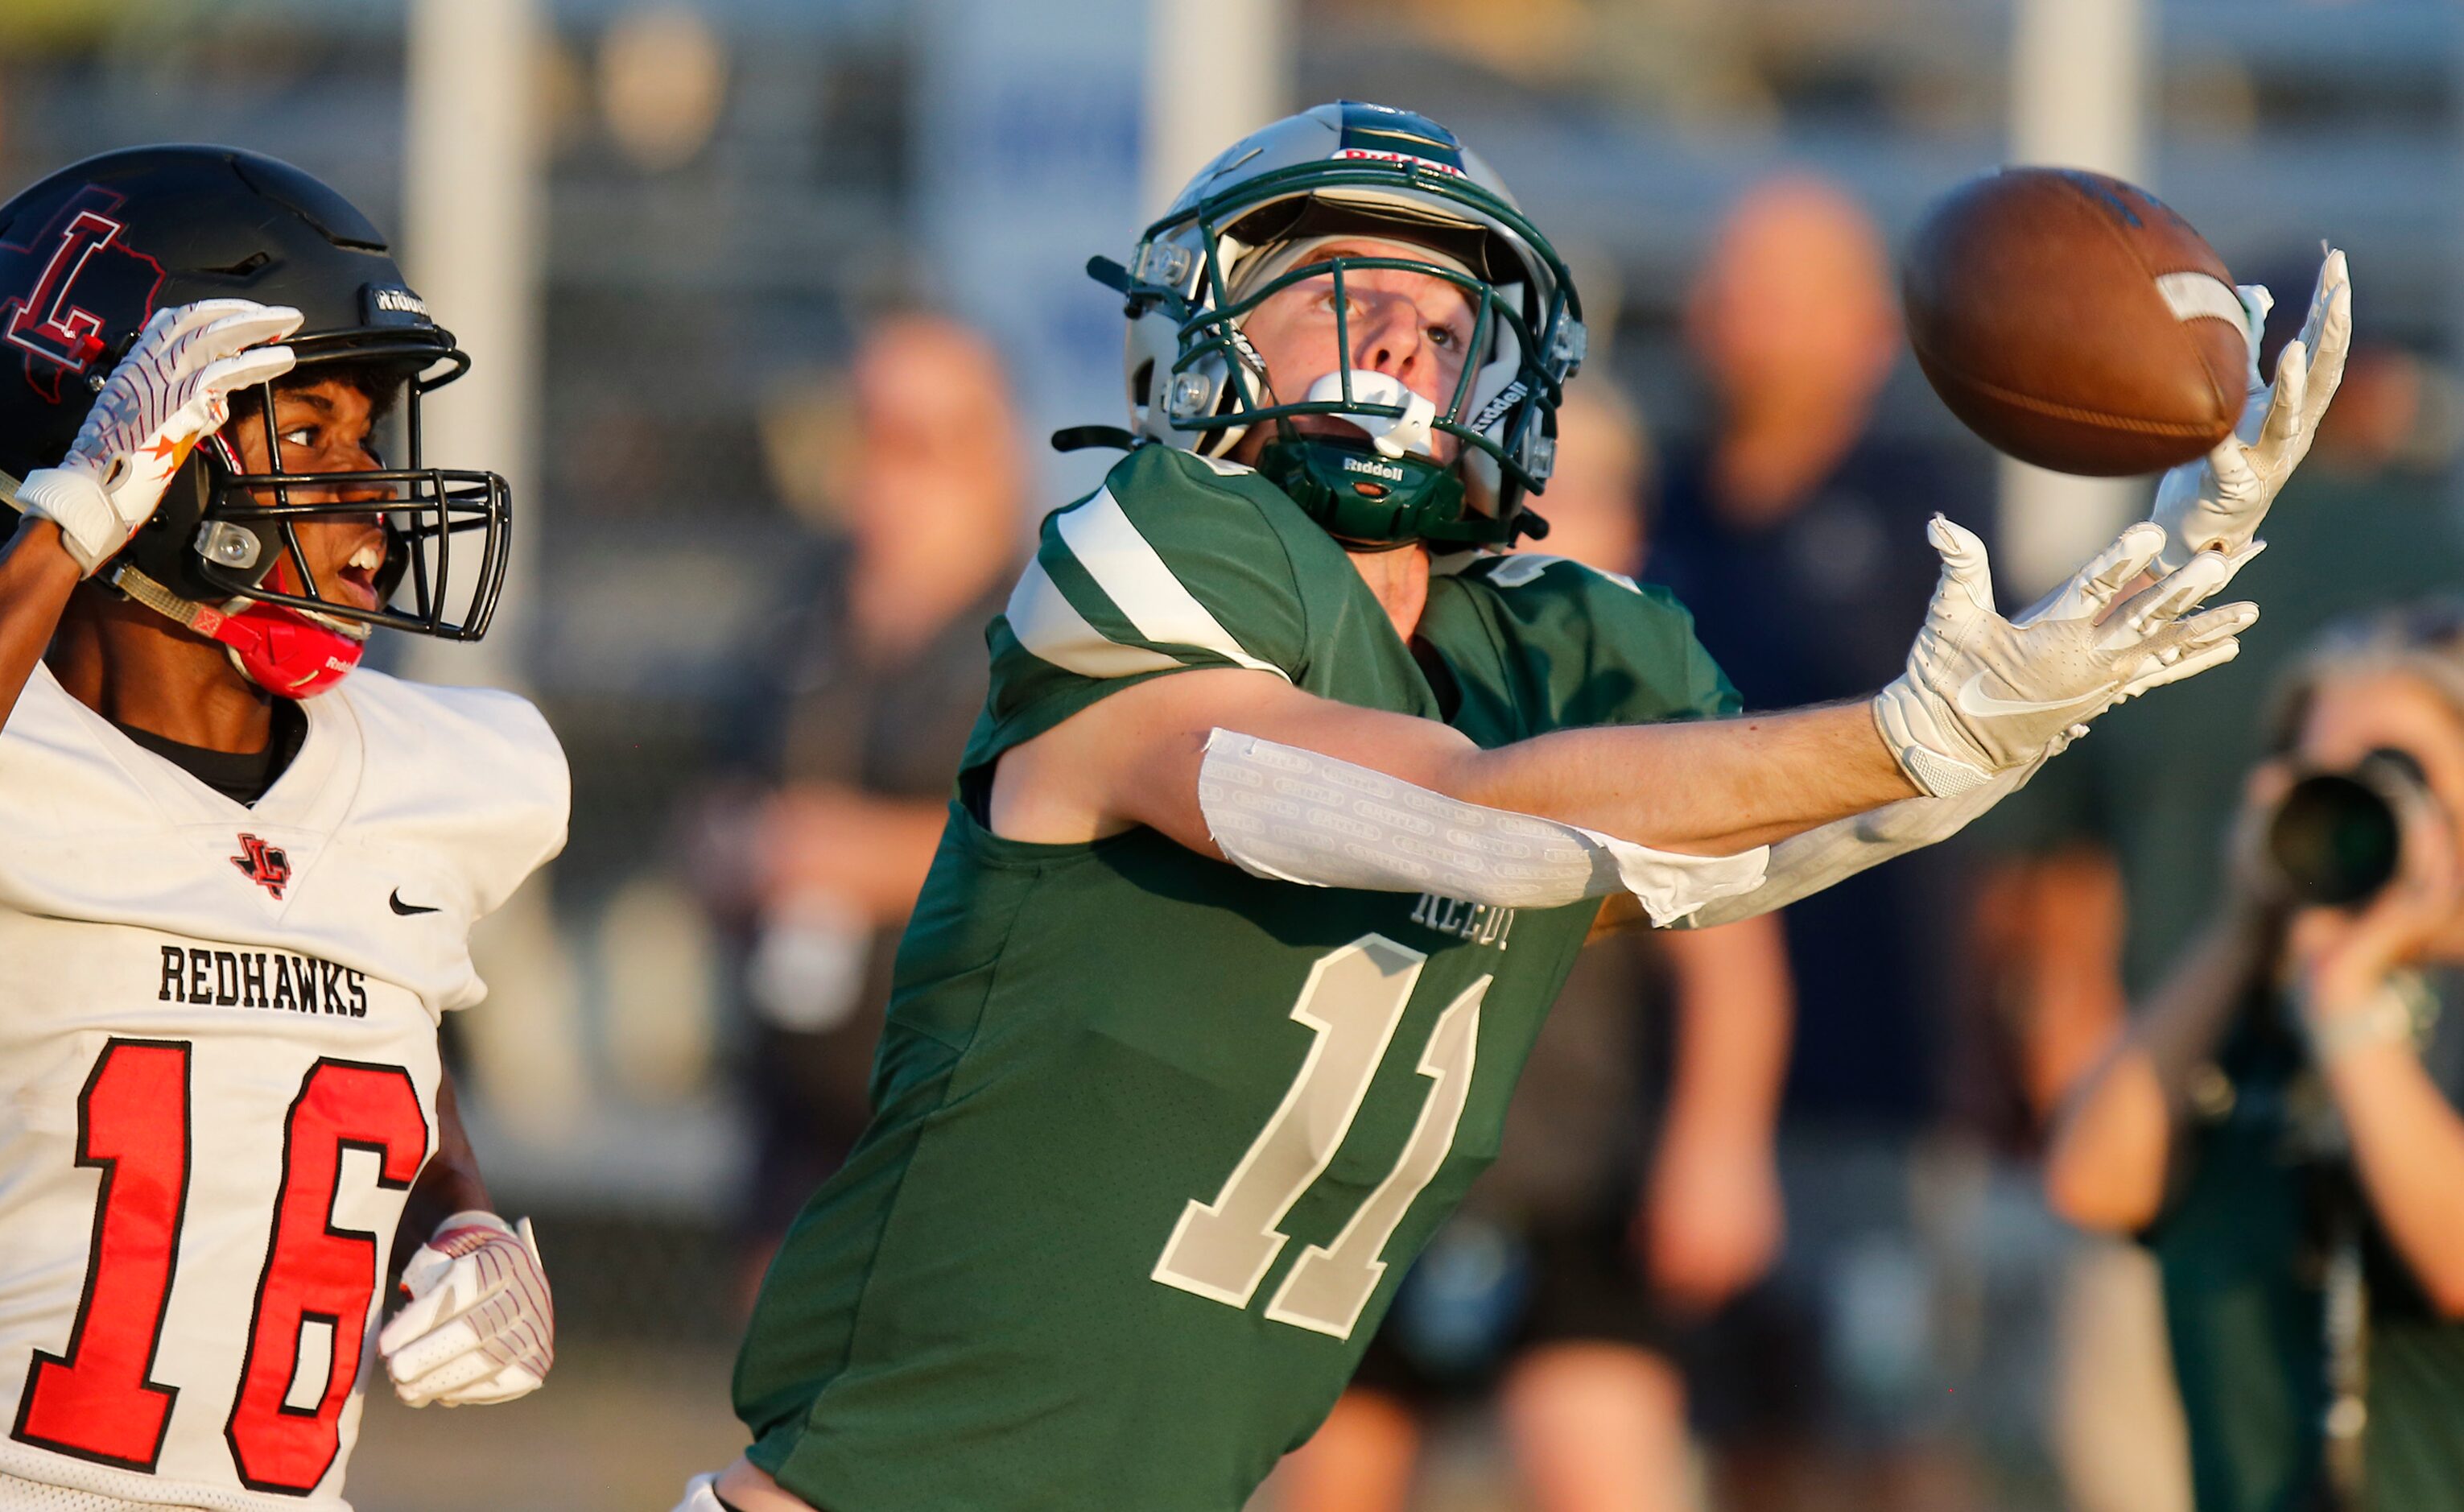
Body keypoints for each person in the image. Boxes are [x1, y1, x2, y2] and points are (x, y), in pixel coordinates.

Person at [679, 101, 2333, 1512]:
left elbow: (1730, 850)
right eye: (1340, 295)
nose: (1403, 333)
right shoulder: (1158, 559)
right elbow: (1446, 815)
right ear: (1205, 336)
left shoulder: (1555, 643)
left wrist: (2038, 684)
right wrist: (1915, 734)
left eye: (1446, 314)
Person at [0, 147, 563, 1510]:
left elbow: (342, 1038)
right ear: (125, 433)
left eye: (370, 432)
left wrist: (451, 1208)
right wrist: (68, 529)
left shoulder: (422, 776)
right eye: (307, 430)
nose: (371, 492)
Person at [1276, 379, 1797, 1512]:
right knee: (1328, 1473)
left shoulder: (1632, 691)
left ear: (1632, 520)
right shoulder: (1399, 667)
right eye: (1509, 496)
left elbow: (1730, 958)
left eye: (1574, 496)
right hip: (1368, 1163)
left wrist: (1716, 1146)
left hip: (1569, 1171)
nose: (1536, 523)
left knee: (1603, 1461)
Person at [1642, 172, 2007, 1509]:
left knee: (1891, 1431)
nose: (1742, 315)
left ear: (1865, 327)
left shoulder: (1937, 522)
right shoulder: (1652, 514)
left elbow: (2006, 805)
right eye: (1730, 281)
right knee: (1742, 1434)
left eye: (1783, 288)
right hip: (1676, 1071)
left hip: (1881, 1069)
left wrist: (1998, 1028)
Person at [2047, 601, 2464, 1512]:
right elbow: (2091, 1183)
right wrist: (2240, 930)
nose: (2355, 801)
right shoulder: (2248, 1016)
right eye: (2314, 775)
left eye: (2394, 772)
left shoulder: (2359, 1012)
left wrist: (2350, 1005)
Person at [707, 314, 1026, 1284]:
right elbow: (710, 796)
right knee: (782, 1375)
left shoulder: (1041, 628)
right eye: (868, 432)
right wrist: (744, 852)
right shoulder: (802, 608)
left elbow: (1064, 841)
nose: (884, 470)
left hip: (972, 1094)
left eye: (917, 441)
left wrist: (867, 856)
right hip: (805, 1076)